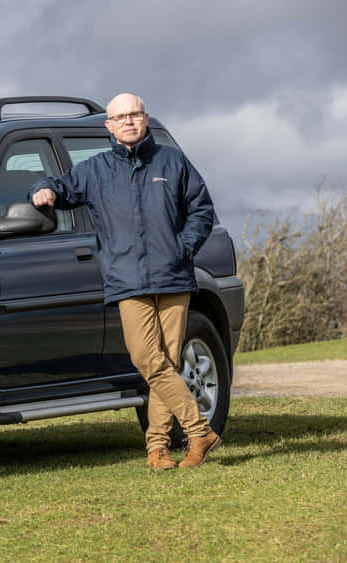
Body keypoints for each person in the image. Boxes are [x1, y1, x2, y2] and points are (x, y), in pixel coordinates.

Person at [29, 93, 221, 469]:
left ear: (145, 119)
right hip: (127, 281)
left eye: (134, 114)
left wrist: (182, 248)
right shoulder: (96, 170)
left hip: (173, 278)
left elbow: (202, 209)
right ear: (109, 126)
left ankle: (157, 449)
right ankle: (200, 431)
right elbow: (60, 186)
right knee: (148, 359)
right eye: (120, 117)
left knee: (165, 362)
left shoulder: (172, 161)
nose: (129, 121)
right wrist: (41, 189)